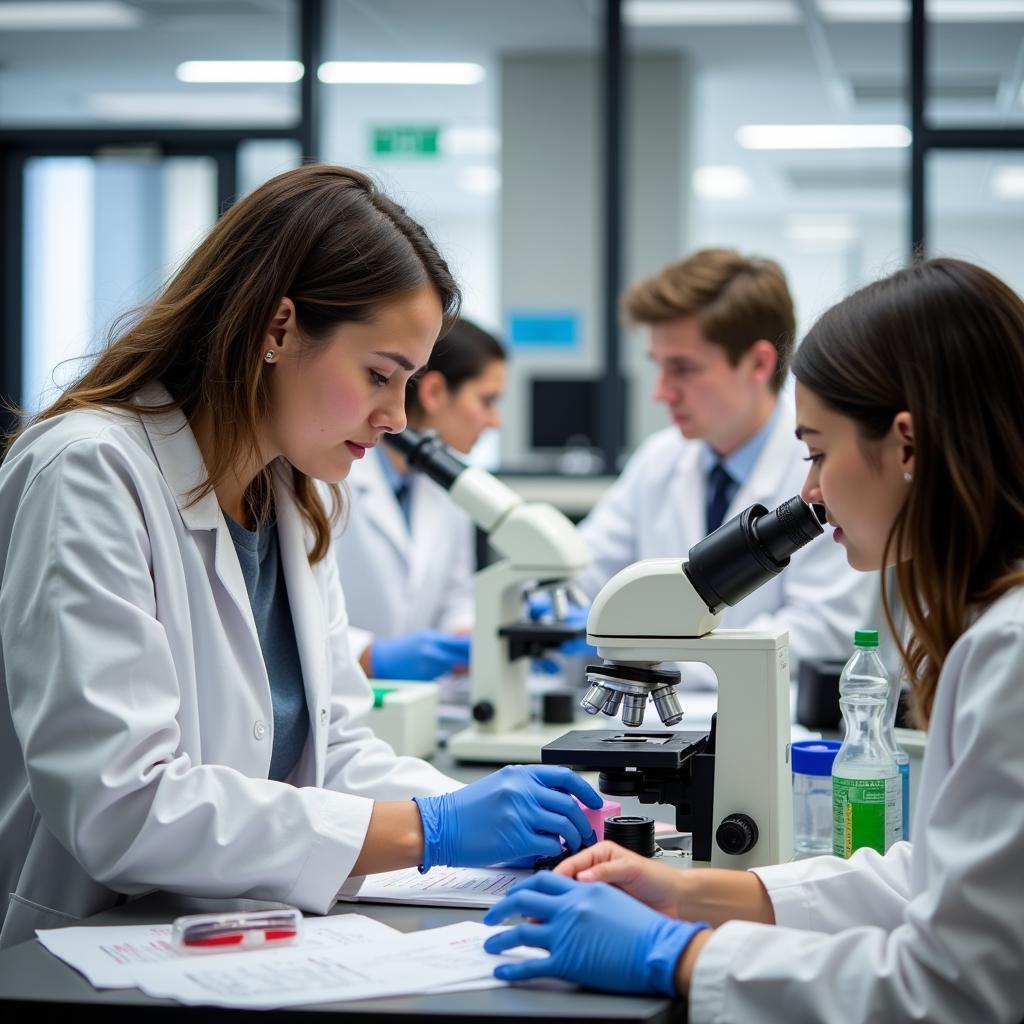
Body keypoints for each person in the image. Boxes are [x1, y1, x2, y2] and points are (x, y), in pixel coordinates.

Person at [0, 164, 603, 949]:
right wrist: (434, 828)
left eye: (411, 383)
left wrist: (478, 810)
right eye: (380, 375)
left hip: (239, 937)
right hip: (84, 950)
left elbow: (338, 753)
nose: (395, 417)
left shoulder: (299, 497)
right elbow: (122, 808)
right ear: (277, 329)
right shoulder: (89, 471)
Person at [482, 257, 1024, 1023]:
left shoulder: (1011, 652)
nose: (808, 493)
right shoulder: (995, 630)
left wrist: (677, 956)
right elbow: (937, 876)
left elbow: (958, 988)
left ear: (907, 445)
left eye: (819, 452)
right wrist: (696, 892)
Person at [576, 248, 874, 682]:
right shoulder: (658, 461)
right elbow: (588, 572)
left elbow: (819, 632)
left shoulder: (822, 474)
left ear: (758, 363)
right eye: (659, 368)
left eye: (682, 369)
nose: (661, 392)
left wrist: (658, 656)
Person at [335, 318, 505, 681]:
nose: (495, 421)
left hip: (425, 703)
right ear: (434, 392)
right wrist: (367, 655)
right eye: (487, 401)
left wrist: (466, 633)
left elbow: (456, 595)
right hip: (340, 695)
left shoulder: (450, 486)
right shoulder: (332, 476)